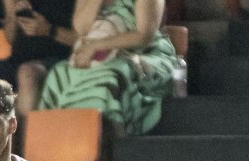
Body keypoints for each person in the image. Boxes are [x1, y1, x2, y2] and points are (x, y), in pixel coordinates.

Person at [37, 0, 178, 135]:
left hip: (144, 54)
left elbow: (143, 37)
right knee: (58, 74)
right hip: (100, 55)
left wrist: (97, 45)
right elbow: (81, 30)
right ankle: (62, 146)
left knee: (111, 76)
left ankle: (113, 144)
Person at [0, 0, 75, 115]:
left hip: (56, 62)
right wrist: (12, 14)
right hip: (16, 60)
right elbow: (11, 38)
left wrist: (49, 30)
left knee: (27, 73)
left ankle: (26, 130)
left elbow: (82, 40)